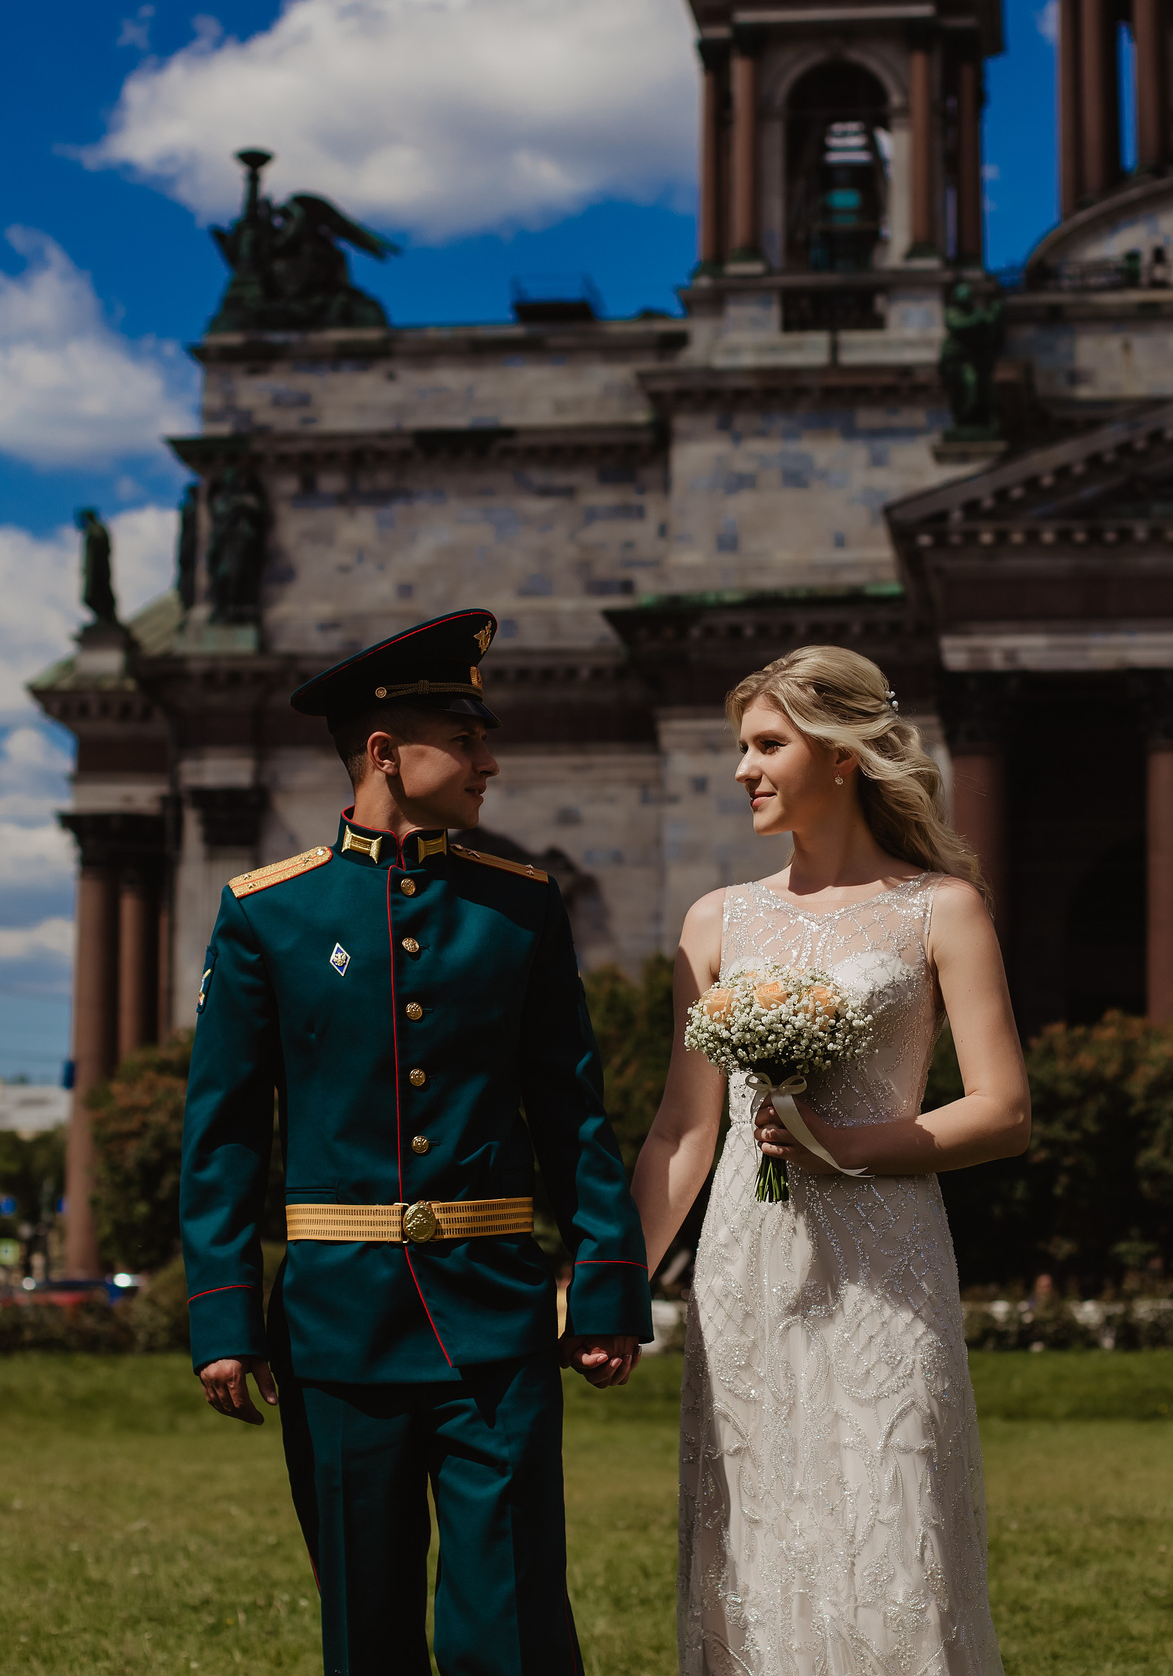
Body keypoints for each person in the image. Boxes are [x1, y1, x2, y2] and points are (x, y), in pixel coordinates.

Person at [182, 608, 651, 1676]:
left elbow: (575, 1111)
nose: (492, 759)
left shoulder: (520, 910)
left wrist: (608, 1287)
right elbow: (221, 1133)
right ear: (387, 752)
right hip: (334, 1323)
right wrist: (222, 1314)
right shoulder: (270, 916)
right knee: (366, 1624)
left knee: (515, 1622)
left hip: (494, 1315)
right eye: (467, 735)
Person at [631, 644, 1030, 1674]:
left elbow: (1001, 1110)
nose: (743, 770)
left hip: (886, 1260)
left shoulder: (941, 908)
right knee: (757, 1530)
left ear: (843, 754)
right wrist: (611, 1284)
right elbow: (683, 1128)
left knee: (896, 1524)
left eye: (768, 744)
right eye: (740, 748)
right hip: (749, 1264)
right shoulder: (716, 921)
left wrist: (849, 1148)